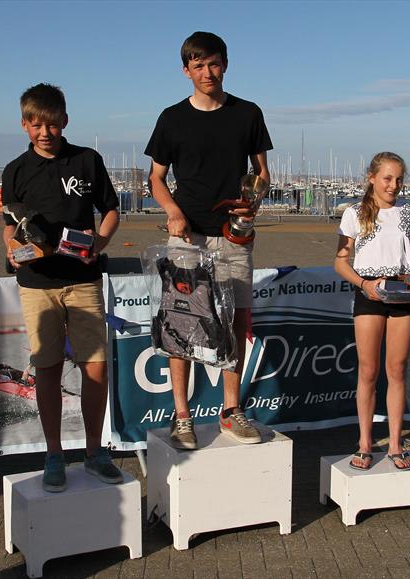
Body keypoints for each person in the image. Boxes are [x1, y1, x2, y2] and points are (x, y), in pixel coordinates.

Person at [145, 31, 273, 449]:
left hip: (233, 238)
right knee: (182, 325)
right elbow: (156, 179)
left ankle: (231, 411)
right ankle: (182, 417)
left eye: (213, 63)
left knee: (236, 323)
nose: (207, 72)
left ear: (226, 64)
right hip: (186, 237)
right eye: (197, 66)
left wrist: (252, 204)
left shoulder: (248, 113)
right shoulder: (171, 118)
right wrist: (173, 212)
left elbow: (262, 176)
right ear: (186, 70)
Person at [2, 83, 122, 491]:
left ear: (65, 122)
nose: (45, 132)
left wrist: (99, 245)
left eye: (52, 124)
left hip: (84, 281)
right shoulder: (15, 170)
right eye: (36, 125)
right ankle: (54, 454)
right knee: (48, 371)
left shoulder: (87, 161)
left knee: (96, 370)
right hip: (37, 285)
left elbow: (110, 210)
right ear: (24, 124)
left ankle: (94, 452)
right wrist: (16, 251)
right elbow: (8, 227)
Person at [333, 152, 410, 471]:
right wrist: (364, 284)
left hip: (402, 296)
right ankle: (364, 443)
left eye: (399, 179)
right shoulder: (355, 213)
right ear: (372, 177)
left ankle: (396, 443)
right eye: (387, 178)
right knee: (368, 371)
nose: (394, 185)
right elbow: (340, 262)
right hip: (369, 295)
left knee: (397, 369)